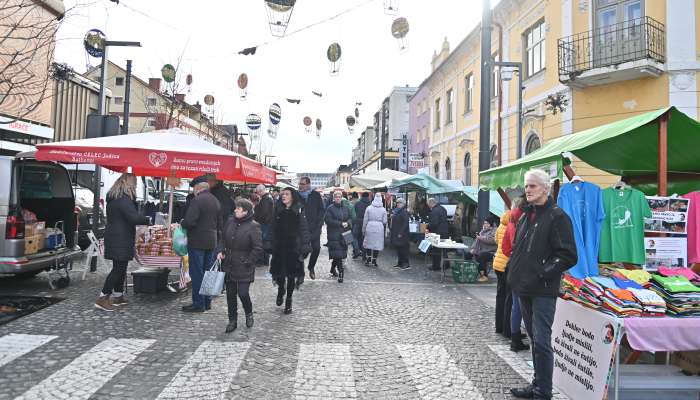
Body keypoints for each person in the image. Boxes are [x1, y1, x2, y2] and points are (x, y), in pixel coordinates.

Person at [509, 169, 577, 400]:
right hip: (524, 286)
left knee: (542, 340)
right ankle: (536, 384)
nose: (527, 190)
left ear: (545, 189)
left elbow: (568, 255)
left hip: (543, 289)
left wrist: (542, 273)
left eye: (533, 186)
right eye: (526, 186)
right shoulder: (526, 215)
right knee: (533, 339)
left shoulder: (557, 216)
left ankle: (543, 392)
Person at [96, 173, 151, 311]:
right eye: (135, 184)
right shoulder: (123, 200)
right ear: (128, 184)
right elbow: (133, 218)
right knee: (118, 269)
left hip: (116, 236)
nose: (136, 187)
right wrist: (147, 219)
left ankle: (118, 296)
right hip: (120, 238)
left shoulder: (115, 198)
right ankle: (103, 297)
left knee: (121, 267)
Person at [216, 199, 262, 333]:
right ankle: (232, 320)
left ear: (245, 212)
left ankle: (249, 313)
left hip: (244, 265)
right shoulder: (230, 221)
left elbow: (258, 248)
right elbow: (222, 239)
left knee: (243, 293)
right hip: (229, 263)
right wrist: (220, 250)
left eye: (238, 209)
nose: (235, 210)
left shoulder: (254, 226)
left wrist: (248, 261)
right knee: (230, 294)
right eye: (236, 208)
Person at [265, 187, 311, 314]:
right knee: (279, 274)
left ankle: (289, 300)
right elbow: (271, 227)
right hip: (279, 247)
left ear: (292, 196)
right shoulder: (277, 209)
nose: (283, 196)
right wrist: (268, 242)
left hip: (293, 247)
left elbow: (304, 229)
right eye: (282, 194)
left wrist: (305, 246)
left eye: (286, 194)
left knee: (291, 275)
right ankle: (281, 290)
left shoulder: (299, 210)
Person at [181, 176, 221, 313]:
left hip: (197, 241)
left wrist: (182, 223)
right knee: (207, 273)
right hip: (211, 240)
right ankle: (207, 301)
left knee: (197, 273)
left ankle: (198, 304)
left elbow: (190, 221)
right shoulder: (215, 200)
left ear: (198, 188)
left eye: (194, 189)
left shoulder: (197, 200)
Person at [503, 198, 530, 352]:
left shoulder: (510, 221)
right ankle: (529, 340)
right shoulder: (527, 219)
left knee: (516, 306)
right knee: (525, 306)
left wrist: (513, 256)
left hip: (513, 265)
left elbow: (505, 248)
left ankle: (514, 340)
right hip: (525, 267)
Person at [298, 176, 325, 282]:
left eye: (303, 184)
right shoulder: (296, 196)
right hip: (300, 229)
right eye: (300, 184)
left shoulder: (316, 195)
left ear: (308, 184)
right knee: (301, 252)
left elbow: (321, 210)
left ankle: (311, 267)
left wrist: (319, 224)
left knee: (316, 249)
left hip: (314, 228)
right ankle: (300, 273)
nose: (300, 186)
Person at [492, 209, 512, 336]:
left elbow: (496, 241)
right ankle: (507, 328)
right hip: (506, 264)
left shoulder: (501, 225)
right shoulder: (512, 226)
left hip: (497, 263)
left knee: (500, 296)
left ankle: (499, 326)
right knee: (508, 298)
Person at [325, 190, 352, 282]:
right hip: (334, 234)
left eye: (339, 197)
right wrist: (340, 223)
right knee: (338, 255)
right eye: (336, 197)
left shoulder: (346, 208)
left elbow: (350, 218)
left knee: (340, 254)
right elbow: (328, 220)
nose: (338, 198)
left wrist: (347, 223)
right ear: (334, 198)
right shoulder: (330, 208)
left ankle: (332, 269)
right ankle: (341, 273)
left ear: (341, 198)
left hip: (345, 234)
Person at [468, 216, 498, 282]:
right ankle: (468, 272)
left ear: (491, 224)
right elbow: (476, 241)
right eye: (484, 223)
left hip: (491, 252)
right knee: (468, 254)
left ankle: (484, 276)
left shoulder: (495, 231)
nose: (485, 225)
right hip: (482, 250)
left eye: (487, 223)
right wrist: (472, 249)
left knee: (481, 256)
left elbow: (493, 240)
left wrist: (481, 238)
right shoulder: (483, 231)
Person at [363, 193, 388, 267]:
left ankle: (368, 259)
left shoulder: (369, 208)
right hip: (379, 227)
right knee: (377, 244)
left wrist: (363, 229)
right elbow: (385, 221)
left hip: (370, 226)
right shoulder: (383, 209)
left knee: (369, 243)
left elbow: (365, 219)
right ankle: (374, 260)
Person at [253, 184, 275, 266]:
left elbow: (264, 213)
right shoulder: (268, 198)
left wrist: (258, 219)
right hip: (267, 223)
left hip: (264, 224)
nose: (257, 194)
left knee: (261, 242)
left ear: (261, 191)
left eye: (258, 192)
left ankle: (261, 261)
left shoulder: (266, 199)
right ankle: (265, 261)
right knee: (265, 242)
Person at [427, 198, 449, 270]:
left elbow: (434, 223)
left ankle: (436, 266)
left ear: (431, 203)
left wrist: (428, 226)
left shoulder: (434, 211)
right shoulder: (443, 208)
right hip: (445, 231)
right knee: (444, 249)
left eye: (428, 205)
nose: (429, 207)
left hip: (437, 233)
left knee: (436, 250)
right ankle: (446, 265)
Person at [390, 197, 411, 270]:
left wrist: (401, 233)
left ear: (403, 204)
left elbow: (405, 223)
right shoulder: (397, 211)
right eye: (397, 202)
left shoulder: (404, 212)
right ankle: (400, 263)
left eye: (399, 202)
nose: (398, 204)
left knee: (403, 249)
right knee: (398, 248)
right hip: (396, 232)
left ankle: (406, 264)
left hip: (402, 234)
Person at [353, 192, 371, 261]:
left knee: (355, 237)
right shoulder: (370, 204)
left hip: (357, 222)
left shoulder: (357, 203)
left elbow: (354, 212)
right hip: (366, 223)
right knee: (364, 239)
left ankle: (357, 250)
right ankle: (364, 255)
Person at [340, 194, 359, 259]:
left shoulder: (340, 206)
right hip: (349, 226)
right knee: (348, 240)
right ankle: (355, 250)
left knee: (341, 241)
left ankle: (343, 256)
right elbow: (354, 217)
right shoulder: (351, 206)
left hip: (340, 226)